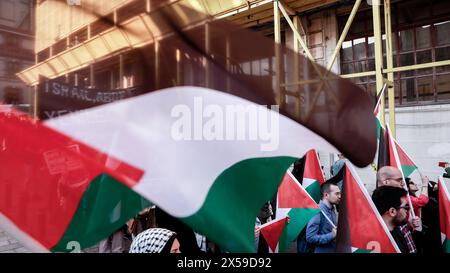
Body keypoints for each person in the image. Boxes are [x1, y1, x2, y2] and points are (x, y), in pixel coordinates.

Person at [376, 166, 423, 253]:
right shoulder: (378, 201)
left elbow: (402, 224)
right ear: (386, 181)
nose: (403, 183)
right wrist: (425, 184)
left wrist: (411, 223)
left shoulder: (400, 198)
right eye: (399, 180)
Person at [372, 186, 411, 253]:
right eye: (406, 207)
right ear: (392, 211)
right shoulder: (377, 244)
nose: (407, 211)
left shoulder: (397, 230)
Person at [304, 182, 341, 253]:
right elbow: (310, 237)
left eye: (340, 193)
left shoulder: (333, 209)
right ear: (326, 195)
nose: (339, 196)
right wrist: (331, 235)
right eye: (337, 193)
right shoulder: (317, 212)